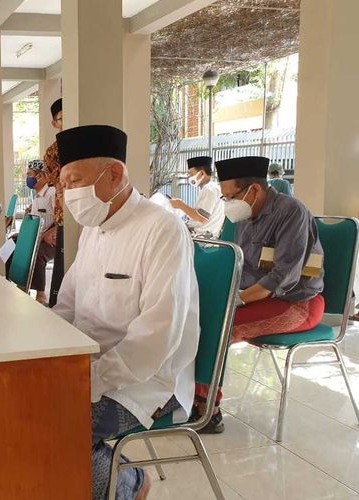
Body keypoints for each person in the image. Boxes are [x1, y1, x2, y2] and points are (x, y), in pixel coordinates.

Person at [52, 125, 200, 500]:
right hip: (89, 364)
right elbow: (67, 306)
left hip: (147, 378)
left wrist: (91, 379)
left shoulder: (161, 229)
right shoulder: (93, 227)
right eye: (64, 185)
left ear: (114, 174)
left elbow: (156, 338)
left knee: (58, 425)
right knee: (21, 401)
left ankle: (129, 486)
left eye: (74, 181)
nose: (68, 195)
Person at [195, 156, 324, 434]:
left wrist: (235, 300)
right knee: (198, 313)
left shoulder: (292, 212)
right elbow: (238, 264)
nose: (227, 203)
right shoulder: (246, 214)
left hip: (297, 303)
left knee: (220, 325)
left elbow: (284, 277)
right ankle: (187, 391)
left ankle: (207, 410)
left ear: (253, 190)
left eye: (229, 196)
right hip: (258, 297)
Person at [5, 159, 56, 305]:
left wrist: (51, 231)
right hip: (36, 236)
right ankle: (16, 282)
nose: (28, 177)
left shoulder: (52, 193)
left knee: (38, 253)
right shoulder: (36, 197)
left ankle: (41, 294)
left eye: (30, 174)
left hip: (50, 239)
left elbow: (62, 218)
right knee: (10, 245)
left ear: (42, 176)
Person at [169, 156, 225, 238]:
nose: (189, 177)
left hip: (202, 239)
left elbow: (202, 218)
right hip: (199, 233)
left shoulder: (209, 189)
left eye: (191, 173)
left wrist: (181, 205)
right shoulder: (209, 188)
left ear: (202, 173)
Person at [43, 98, 64, 306]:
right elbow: (58, 186)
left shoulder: (88, 144)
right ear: (55, 123)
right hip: (65, 217)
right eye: (62, 119)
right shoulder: (52, 153)